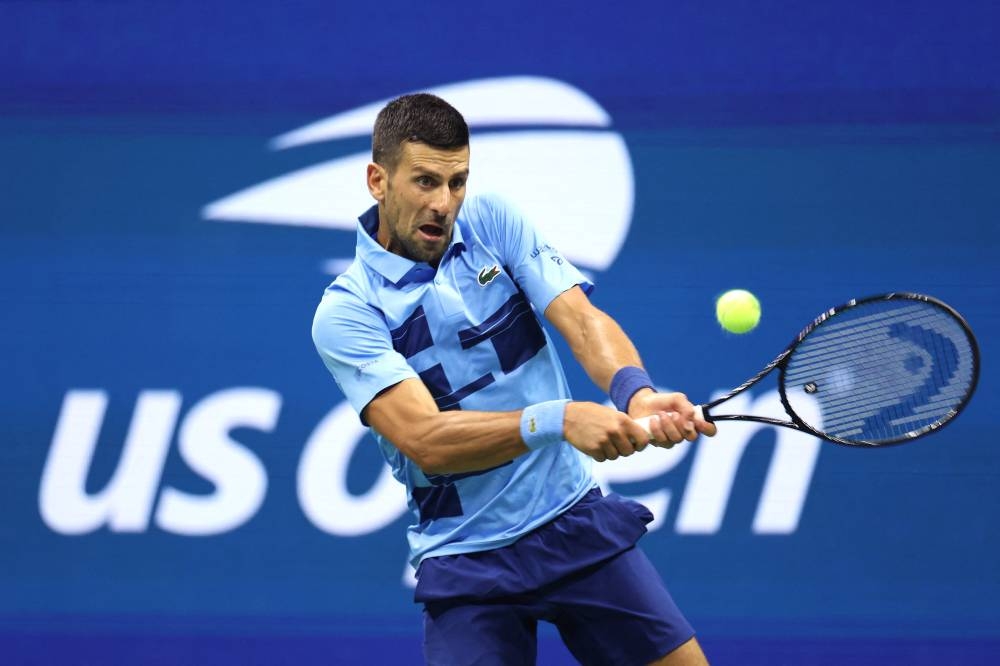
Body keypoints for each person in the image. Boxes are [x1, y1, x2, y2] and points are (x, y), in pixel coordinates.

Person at [312, 92, 717, 666]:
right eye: (424, 182)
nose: (444, 203)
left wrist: (636, 391)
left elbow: (579, 318)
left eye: (457, 183)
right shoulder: (348, 313)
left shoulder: (492, 220)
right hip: (465, 559)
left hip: (570, 520)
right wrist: (559, 419)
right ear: (378, 180)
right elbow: (426, 440)